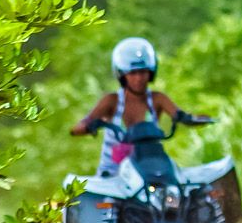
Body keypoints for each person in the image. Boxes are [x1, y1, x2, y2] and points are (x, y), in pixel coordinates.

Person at [71, 37, 200, 176]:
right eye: (133, 73)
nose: (139, 78)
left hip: (150, 168)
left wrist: (191, 119)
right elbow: (80, 125)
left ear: (151, 73)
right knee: (104, 198)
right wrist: (88, 127)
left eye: (143, 72)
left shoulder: (158, 99)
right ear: (122, 75)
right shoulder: (111, 101)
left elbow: (181, 115)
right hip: (114, 173)